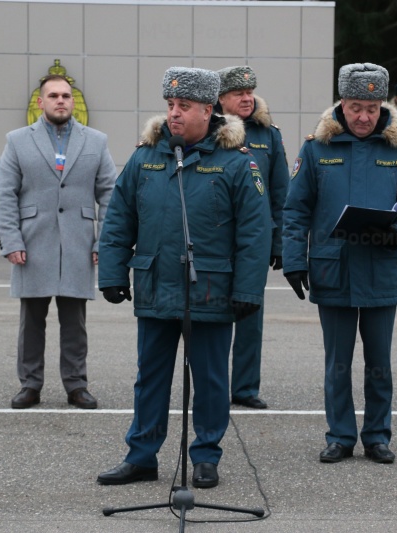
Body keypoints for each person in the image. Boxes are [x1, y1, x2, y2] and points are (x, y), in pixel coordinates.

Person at [96, 67, 271, 488]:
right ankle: (141, 456)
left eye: (184, 107)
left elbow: (255, 231)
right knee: (149, 377)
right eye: (170, 105)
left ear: (208, 110)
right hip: (156, 285)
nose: (174, 114)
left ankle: (206, 457)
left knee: (210, 380)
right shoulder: (146, 156)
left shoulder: (236, 162)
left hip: (210, 290)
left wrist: (248, 290)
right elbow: (120, 218)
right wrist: (112, 271)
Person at [282, 63, 397, 465]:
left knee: (380, 362)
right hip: (334, 270)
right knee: (338, 363)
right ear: (341, 105)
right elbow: (296, 210)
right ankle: (341, 436)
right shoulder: (316, 149)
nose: (363, 117)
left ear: (381, 105)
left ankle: (377, 435)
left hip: (381, 269)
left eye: (370, 107)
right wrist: (294, 261)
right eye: (354, 107)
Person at [0, 74, 117, 410]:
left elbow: (110, 194)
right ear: (41, 102)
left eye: (66, 95)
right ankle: (30, 385)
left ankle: (76, 385)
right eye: (53, 96)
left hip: (78, 242)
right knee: (31, 321)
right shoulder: (17, 141)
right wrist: (11, 240)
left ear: (72, 101)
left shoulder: (96, 141)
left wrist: (102, 243)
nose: (60, 100)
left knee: (75, 323)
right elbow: (5, 194)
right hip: (32, 245)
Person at [215, 65, 289, 410]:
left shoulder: (267, 134)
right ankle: (212, 383)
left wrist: (279, 244)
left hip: (255, 240)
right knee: (211, 315)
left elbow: (280, 193)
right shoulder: (208, 129)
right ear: (220, 99)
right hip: (213, 238)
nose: (247, 99)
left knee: (250, 315)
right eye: (238, 94)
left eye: (250, 92)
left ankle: (245, 387)